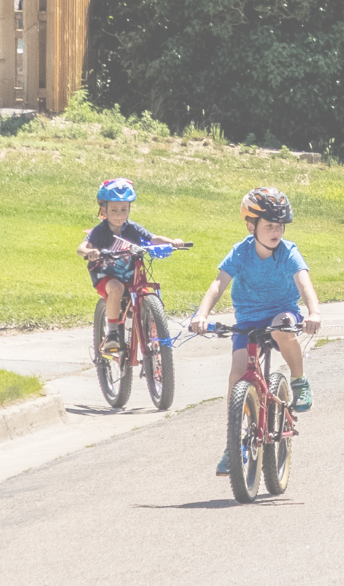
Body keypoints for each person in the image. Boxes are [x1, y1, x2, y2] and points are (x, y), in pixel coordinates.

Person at [189, 188, 322, 475]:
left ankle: (299, 380)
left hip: (281, 310)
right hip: (248, 319)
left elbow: (304, 283)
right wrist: (202, 314)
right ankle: (233, 443)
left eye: (280, 226)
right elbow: (218, 284)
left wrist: (313, 312)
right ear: (252, 227)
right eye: (269, 226)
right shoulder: (241, 252)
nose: (276, 232)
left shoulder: (288, 252)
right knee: (237, 374)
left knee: (282, 328)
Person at [77, 178, 189, 359]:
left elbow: (153, 238)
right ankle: (113, 333)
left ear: (129, 208)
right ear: (103, 210)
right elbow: (81, 248)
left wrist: (172, 242)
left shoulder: (133, 229)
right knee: (116, 288)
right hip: (106, 276)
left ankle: (148, 338)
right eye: (113, 210)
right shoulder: (100, 231)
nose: (119, 214)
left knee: (146, 297)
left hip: (131, 277)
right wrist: (91, 252)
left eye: (124, 209)